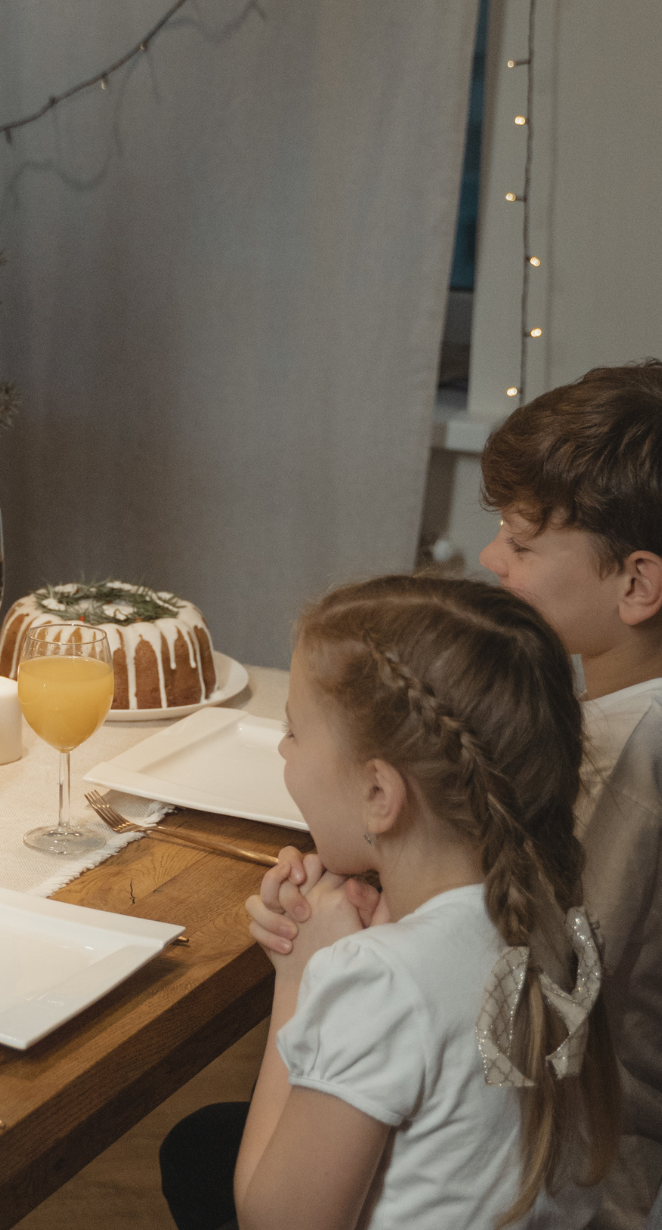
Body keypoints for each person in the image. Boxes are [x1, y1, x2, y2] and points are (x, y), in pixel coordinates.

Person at [226, 364, 662, 1230]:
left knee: (203, 1150)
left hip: (597, 1174)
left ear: (637, 585)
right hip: (531, 1148)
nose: (492, 558)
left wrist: (320, 971)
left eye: (523, 545)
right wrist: (389, 902)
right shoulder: (591, 724)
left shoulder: (631, 765)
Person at [233, 575, 620, 1228]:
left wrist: (299, 975)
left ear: (379, 795)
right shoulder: (559, 919)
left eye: (293, 730)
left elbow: (275, 1222)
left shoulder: (378, 981)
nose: (281, 747)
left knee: (193, 1152)